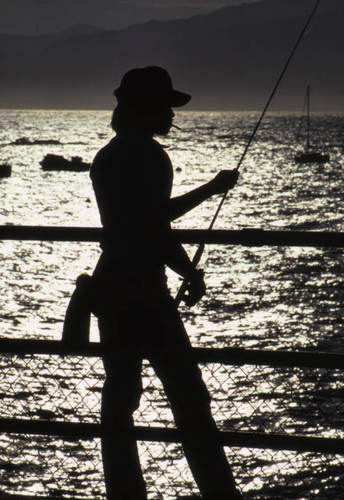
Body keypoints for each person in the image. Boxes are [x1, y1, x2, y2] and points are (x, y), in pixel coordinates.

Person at [89, 66, 241, 500]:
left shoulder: (109, 155)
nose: (171, 116)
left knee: (120, 398)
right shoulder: (151, 157)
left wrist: (186, 270)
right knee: (189, 398)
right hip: (144, 293)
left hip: (112, 286)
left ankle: (124, 490)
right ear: (146, 109)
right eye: (165, 107)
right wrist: (211, 189)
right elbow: (155, 223)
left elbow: (141, 227)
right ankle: (219, 491)